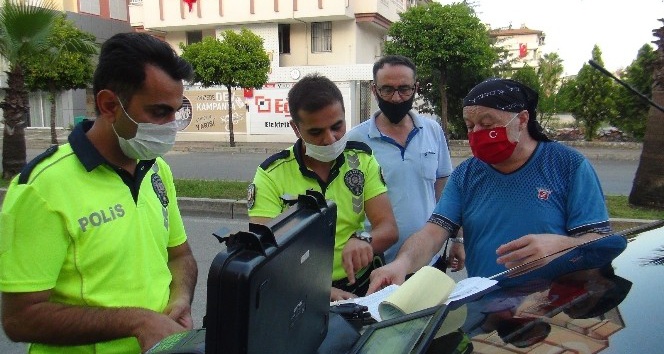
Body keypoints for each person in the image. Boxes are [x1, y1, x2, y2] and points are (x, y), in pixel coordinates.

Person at [0, 32, 198, 353]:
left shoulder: (155, 169)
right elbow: (20, 318)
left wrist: (180, 300)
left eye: (177, 112)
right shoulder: (43, 186)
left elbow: (180, 255)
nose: (171, 126)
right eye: (160, 112)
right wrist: (138, 322)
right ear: (109, 105)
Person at [367, 78, 612, 294]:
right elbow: (432, 233)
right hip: (486, 312)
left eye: (487, 123)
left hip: (551, 309)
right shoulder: (467, 174)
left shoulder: (567, 166)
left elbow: (601, 241)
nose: (477, 133)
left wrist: (563, 246)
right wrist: (402, 264)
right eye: (470, 125)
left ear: (522, 119)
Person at [248, 73, 398, 301]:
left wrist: (364, 239)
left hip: (358, 284)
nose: (330, 139)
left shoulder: (361, 160)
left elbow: (388, 228)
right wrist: (317, 290)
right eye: (316, 132)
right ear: (296, 129)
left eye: (337, 126)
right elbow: (264, 256)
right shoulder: (271, 175)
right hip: (298, 289)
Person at [347, 55, 464, 270]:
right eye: (387, 89)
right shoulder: (354, 140)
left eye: (404, 89)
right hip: (375, 263)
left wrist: (457, 238)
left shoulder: (432, 131)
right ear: (374, 90)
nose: (396, 97)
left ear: (416, 88)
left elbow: (444, 190)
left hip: (428, 259)